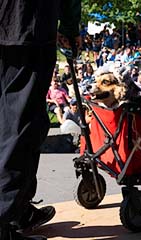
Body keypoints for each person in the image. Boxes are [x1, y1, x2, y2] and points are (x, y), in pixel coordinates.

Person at [0, 1, 81, 240]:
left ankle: (17, 211)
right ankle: (5, 219)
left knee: (10, 123)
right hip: (28, 26)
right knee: (21, 127)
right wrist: (69, 26)